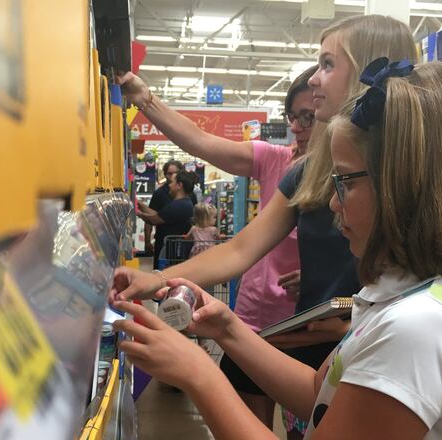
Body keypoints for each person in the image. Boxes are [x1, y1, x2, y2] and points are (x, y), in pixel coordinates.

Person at [113, 60, 442, 440]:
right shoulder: (411, 296)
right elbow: (321, 393)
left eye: (345, 182)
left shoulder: (417, 329)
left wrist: (199, 375)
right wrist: (227, 329)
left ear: (408, 186)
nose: (334, 203)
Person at [112, 14, 419, 438]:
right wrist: (160, 280)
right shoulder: (304, 172)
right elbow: (240, 249)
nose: (314, 79)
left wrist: (200, 372)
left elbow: (412, 281)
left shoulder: (405, 180)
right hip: (310, 343)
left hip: (361, 341)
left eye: (328, 64)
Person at [117, 65, 319, 427]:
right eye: (293, 117)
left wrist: (324, 279)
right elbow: (202, 142)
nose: (298, 128)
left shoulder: (350, 178)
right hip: (251, 323)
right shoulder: (285, 165)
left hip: (307, 329)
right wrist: (145, 98)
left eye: (309, 116)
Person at [137, 170, 198, 269]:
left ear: (179, 185)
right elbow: (160, 216)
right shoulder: (183, 203)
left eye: (172, 182)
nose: (169, 185)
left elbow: (154, 220)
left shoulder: (179, 205)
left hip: (174, 253)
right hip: (174, 251)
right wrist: (141, 206)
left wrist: (137, 213)